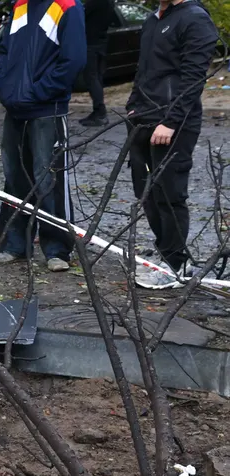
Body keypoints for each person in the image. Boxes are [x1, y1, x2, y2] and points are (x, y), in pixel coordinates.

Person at [126, 0, 218, 285]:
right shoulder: (153, 19)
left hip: (174, 122)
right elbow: (145, 69)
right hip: (143, 117)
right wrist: (133, 106)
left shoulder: (195, 19)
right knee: (147, 192)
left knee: (170, 193)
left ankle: (176, 266)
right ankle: (166, 255)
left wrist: (171, 121)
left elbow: (193, 78)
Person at [0, 0, 86, 273]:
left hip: (47, 110)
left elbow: (74, 59)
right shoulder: (20, 6)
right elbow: (5, 50)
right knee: (14, 177)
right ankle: (13, 244)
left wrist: (39, 92)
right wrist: (5, 87)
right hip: (16, 108)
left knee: (50, 179)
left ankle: (57, 249)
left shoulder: (67, 6)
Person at [79, 0, 113, 125]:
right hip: (101, 42)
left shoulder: (95, 2)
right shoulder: (109, 2)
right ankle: (98, 111)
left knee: (91, 78)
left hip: (91, 44)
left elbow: (80, 13)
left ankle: (100, 112)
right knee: (97, 78)